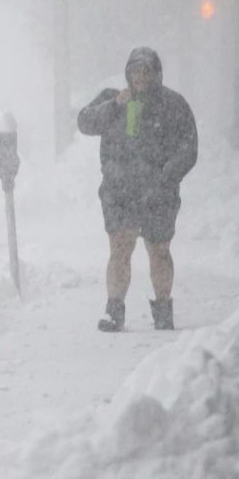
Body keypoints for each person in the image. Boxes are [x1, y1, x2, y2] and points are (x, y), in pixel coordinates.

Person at [77, 46, 198, 332]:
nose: (141, 77)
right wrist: (115, 105)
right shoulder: (113, 99)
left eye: (147, 71)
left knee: (159, 251)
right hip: (119, 192)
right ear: (127, 73)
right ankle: (114, 311)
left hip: (159, 193)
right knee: (120, 249)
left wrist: (166, 176)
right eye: (135, 71)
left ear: (157, 74)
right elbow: (84, 122)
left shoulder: (173, 104)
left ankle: (164, 309)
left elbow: (189, 147)